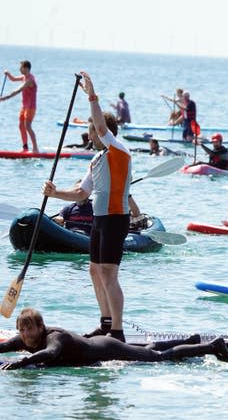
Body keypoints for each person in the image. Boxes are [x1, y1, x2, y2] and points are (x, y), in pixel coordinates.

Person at [42, 72, 132, 343]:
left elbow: (103, 129)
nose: (91, 132)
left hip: (116, 218)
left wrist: (91, 96)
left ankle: (117, 332)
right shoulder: (96, 159)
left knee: (109, 273)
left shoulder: (119, 149)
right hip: (99, 220)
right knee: (94, 270)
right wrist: (55, 192)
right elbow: (82, 192)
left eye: (93, 128)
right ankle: (105, 323)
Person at [0, 308, 228, 369]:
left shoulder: (54, 337)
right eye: (22, 330)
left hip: (104, 348)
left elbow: (50, 354)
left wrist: (21, 362)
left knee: (157, 357)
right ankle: (192, 339)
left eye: (30, 329)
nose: (25, 335)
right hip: (103, 345)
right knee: (144, 351)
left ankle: (212, 346)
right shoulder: (24, 340)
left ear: (41, 326)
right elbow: (5, 346)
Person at [0, 60, 38, 152]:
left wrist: (5, 98)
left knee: (28, 126)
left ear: (26, 68)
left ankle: (35, 148)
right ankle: (25, 147)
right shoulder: (24, 77)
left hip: (30, 107)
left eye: (21, 67)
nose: (20, 69)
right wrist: (8, 74)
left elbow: (18, 90)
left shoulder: (30, 80)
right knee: (21, 126)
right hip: (24, 107)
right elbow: (13, 79)